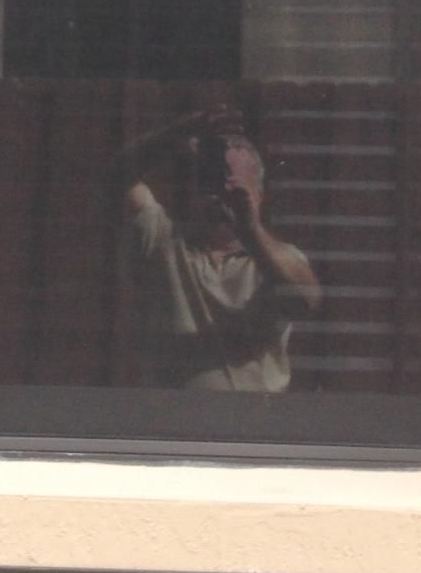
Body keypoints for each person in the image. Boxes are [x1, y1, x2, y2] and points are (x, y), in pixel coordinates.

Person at [115, 107, 320, 392]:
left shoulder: (278, 259)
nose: (220, 199)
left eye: (233, 189)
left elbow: (305, 300)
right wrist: (177, 133)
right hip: (173, 423)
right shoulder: (164, 240)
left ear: (259, 196)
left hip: (254, 425)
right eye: (210, 186)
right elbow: (116, 178)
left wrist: (250, 232)